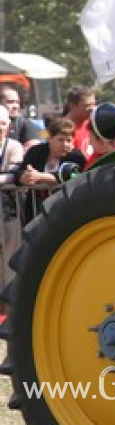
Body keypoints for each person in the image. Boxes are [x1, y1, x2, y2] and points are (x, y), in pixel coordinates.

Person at [15, 118, 86, 225]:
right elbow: (19, 172)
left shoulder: (76, 157)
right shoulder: (36, 152)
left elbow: (70, 177)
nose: (65, 144)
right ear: (50, 139)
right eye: (61, 140)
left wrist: (40, 176)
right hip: (36, 212)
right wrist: (24, 177)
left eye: (69, 140)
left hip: (64, 210)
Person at [0, 106, 23, 312]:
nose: (0, 127)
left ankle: (9, 311)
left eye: (3, 123)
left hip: (8, 212)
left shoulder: (13, 146)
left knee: (10, 258)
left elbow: (14, 174)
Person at [0, 84, 41, 151]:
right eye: (10, 102)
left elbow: (33, 149)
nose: (15, 106)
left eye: (17, 102)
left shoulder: (25, 124)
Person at [61, 85, 97, 157]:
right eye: (87, 105)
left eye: (94, 104)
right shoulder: (61, 129)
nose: (93, 108)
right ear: (72, 106)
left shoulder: (94, 124)